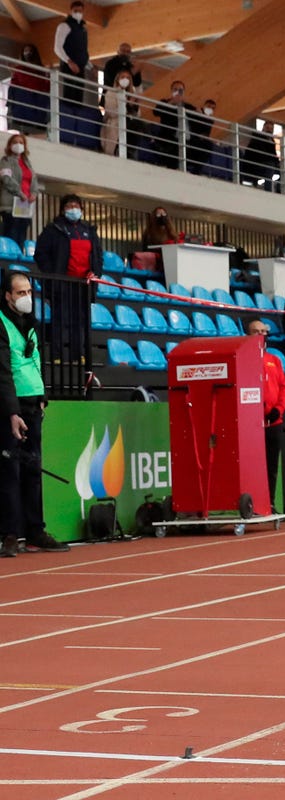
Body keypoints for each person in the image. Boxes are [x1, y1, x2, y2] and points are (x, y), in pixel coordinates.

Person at [0, 271, 71, 556]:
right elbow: (3, 371)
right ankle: (9, 533)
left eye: (29, 292)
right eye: (20, 293)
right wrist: (12, 412)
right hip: (10, 408)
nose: (27, 298)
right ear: (7, 296)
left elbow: (35, 362)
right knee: (9, 471)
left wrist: (42, 398)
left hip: (32, 403)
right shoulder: (2, 325)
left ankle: (34, 531)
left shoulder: (30, 324)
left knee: (33, 470)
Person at [34, 194, 102, 365]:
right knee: (60, 319)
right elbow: (40, 254)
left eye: (76, 206)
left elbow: (97, 256)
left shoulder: (89, 230)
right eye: (69, 206)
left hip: (83, 284)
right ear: (63, 209)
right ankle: (56, 355)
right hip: (61, 283)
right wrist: (54, 273)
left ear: (82, 209)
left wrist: (95, 273)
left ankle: (78, 355)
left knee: (80, 321)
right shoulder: (54, 229)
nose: (73, 209)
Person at [246, 319, 285, 513]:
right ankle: (251, 504)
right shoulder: (244, 360)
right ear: (249, 335)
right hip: (253, 425)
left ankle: (269, 504)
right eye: (257, 332)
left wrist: (278, 409)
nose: (262, 335)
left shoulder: (275, 360)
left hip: (274, 422)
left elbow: (283, 389)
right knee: (253, 467)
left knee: (271, 467)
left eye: (264, 332)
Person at [0, 133, 41, 247]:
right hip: (10, 205)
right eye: (15, 142)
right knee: (11, 235)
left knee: (21, 237)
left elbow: (34, 181)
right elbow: (6, 179)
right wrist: (20, 193)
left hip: (25, 206)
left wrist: (33, 193)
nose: (18, 144)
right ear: (9, 145)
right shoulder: (5, 160)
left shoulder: (27, 163)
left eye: (21, 142)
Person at [54, 1, 92, 108]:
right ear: (70, 11)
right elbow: (57, 48)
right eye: (76, 11)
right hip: (69, 65)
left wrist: (90, 66)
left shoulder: (83, 29)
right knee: (70, 95)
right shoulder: (64, 26)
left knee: (79, 97)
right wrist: (69, 61)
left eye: (80, 11)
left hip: (80, 66)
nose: (78, 13)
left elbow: (82, 50)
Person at [152, 80, 196, 169]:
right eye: (175, 89)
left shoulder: (189, 107)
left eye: (181, 90)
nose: (178, 92)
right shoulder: (165, 102)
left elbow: (200, 120)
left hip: (188, 140)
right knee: (175, 148)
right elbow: (156, 112)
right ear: (171, 91)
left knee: (205, 146)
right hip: (171, 138)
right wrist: (171, 103)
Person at [8, 44, 50, 134]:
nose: (27, 53)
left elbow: (46, 88)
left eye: (30, 51)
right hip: (23, 102)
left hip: (36, 103)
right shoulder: (19, 69)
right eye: (25, 51)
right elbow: (14, 86)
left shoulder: (41, 70)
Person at [100, 67, 141, 157]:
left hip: (130, 125)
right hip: (115, 123)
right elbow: (111, 113)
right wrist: (126, 104)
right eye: (123, 77)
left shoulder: (132, 94)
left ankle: (130, 151)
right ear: (118, 79)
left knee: (139, 125)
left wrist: (134, 106)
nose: (125, 80)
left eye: (128, 78)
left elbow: (137, 115)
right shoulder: (111, 92)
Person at [187, 99, 218, 174]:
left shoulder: (210, 120)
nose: (210, 109)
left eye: (213, 108)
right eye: (209, 106)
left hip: (202, 141)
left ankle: (197, 169)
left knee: (208, 145)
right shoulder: (196, 112)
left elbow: (206, 133)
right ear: (204, 105)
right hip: (191, 138)